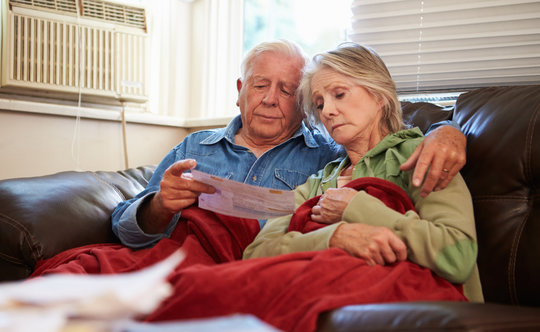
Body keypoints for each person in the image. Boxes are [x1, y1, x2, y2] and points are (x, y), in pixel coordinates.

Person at [112, 39, 467, 249]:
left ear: (301, 104)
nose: (269, 99)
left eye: (286, 91)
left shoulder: (327, 156)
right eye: (260, 85)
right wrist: (159, 206)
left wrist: (447, 129)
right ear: (240, 91)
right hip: (174, 261)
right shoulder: (194, 148)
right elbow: (123, 230)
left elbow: (386, 139)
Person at [243, 43, 483, 302]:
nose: (328, 111)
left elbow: (458, 257)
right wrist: (333, 237)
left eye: (340, 94)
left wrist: (357, 207)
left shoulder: (421, 155)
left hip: (422, 313)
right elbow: (257, 254)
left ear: (379, 95)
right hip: (333, 304)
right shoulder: (319, 181)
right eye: (320, 104)